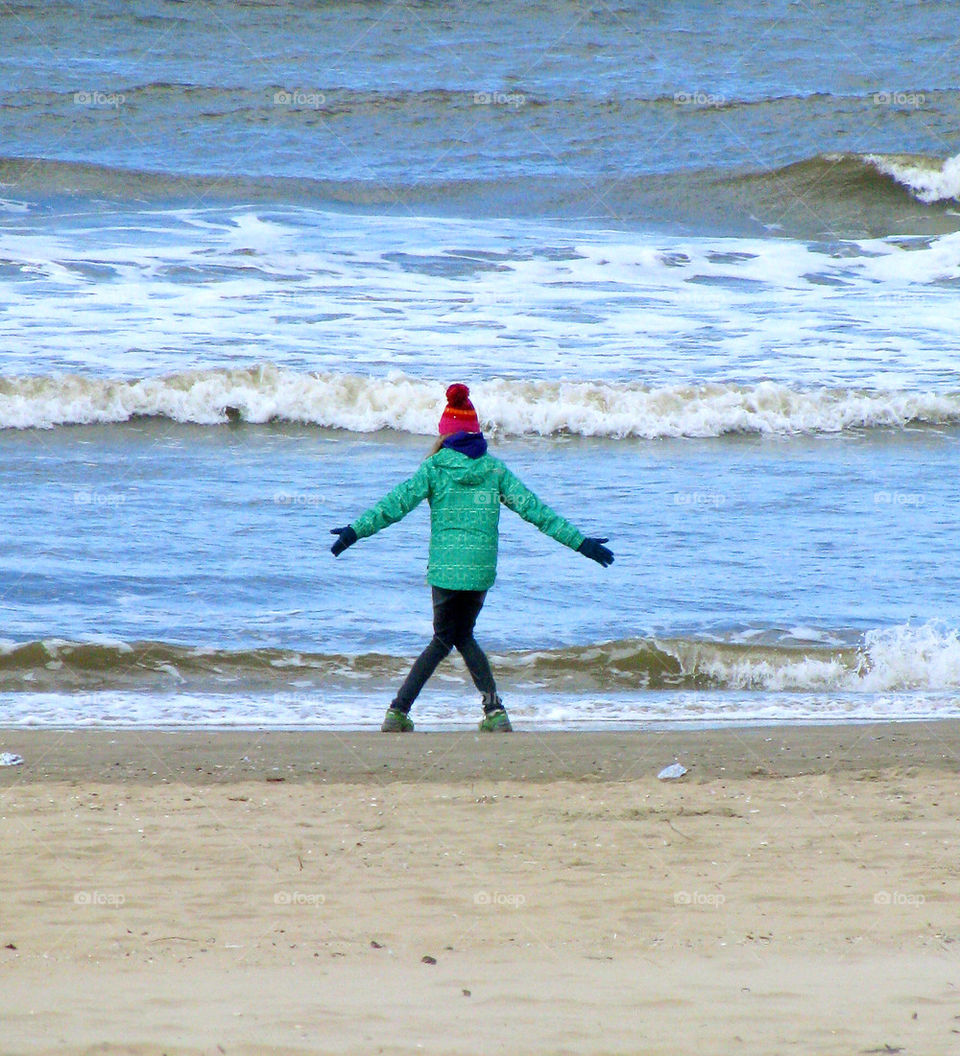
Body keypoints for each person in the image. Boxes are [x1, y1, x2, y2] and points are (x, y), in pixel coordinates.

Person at [329, 383, 613, 732]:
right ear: (476, 432)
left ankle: (399, 711)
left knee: (443, 639)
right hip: (479, 571)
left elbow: (394, 505)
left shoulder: (433, 469)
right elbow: (536, 511)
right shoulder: (494, 470)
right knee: (459, 636)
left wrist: (354, 531)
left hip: (446, 572)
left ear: (445, 433)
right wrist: (579, 542)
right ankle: (493, 712)